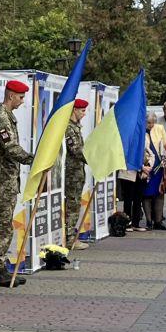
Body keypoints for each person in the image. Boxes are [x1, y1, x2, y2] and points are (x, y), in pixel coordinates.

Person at [0, 80, 34, 284]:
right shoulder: (2, 117)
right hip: (2, 181)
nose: (22, 101)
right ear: (11, 96)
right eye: (20, 97)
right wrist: (32, 159)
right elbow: (10, 147)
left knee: (5, 224)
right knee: (3, 226)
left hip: (8, 179)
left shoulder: (8, 116)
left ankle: (0, 265)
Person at [64, 99, 90, 248]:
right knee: (72, 206)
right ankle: (69, 239)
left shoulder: (75, 127)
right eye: (82, 111)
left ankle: (70, 236)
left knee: (74, 205)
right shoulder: (69, 127)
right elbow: (76, 150)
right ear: (74, 110)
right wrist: (94, 160)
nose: (84, 114)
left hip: (77, 173)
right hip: (71, 174)